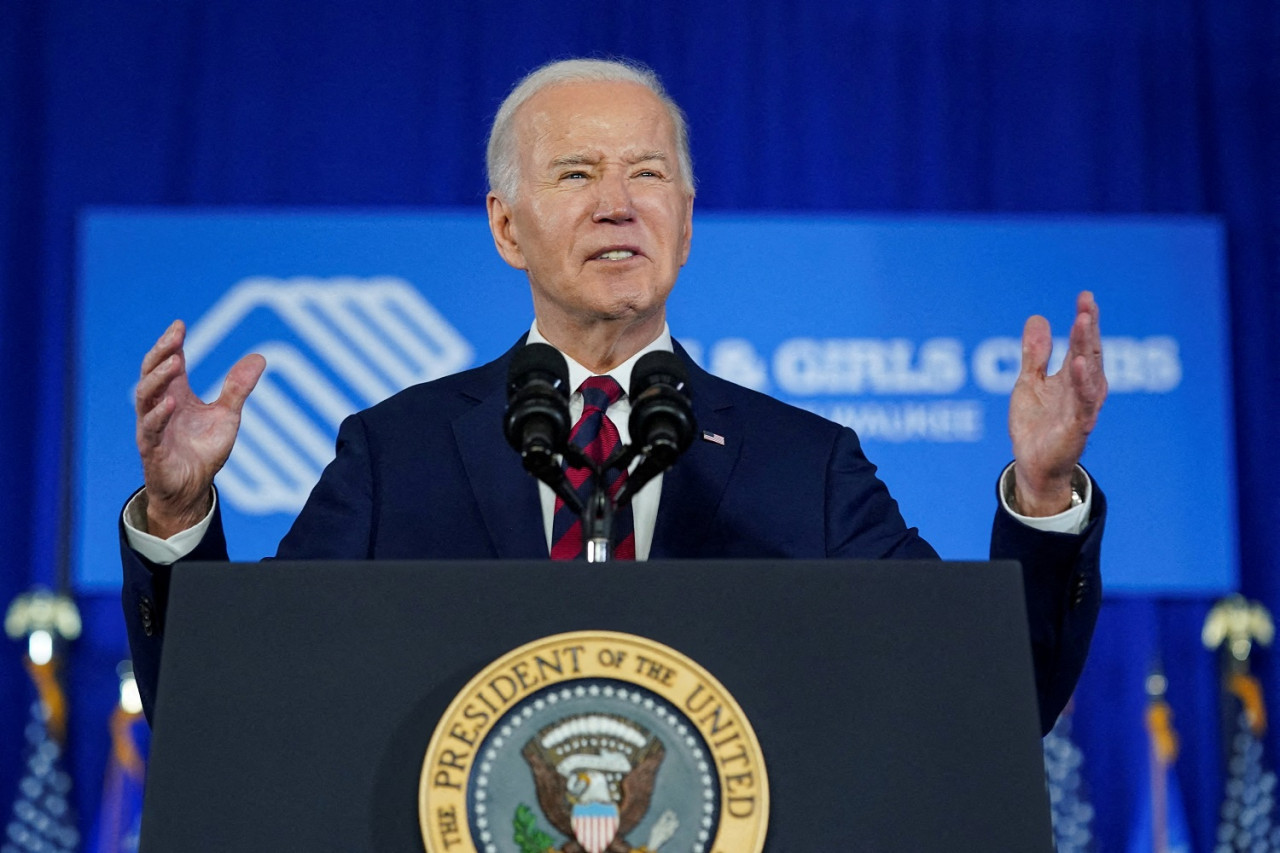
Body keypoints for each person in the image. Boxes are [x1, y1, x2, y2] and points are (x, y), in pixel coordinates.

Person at [121, 58, 1107, 730]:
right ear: (506, 228)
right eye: (577, 172)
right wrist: (176, 512)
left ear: (683, 216)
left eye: (647, 173)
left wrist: (1042, 496)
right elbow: (232, 706)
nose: (615, 203)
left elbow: (984, 690)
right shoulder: (396, 452)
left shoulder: (803, 464)